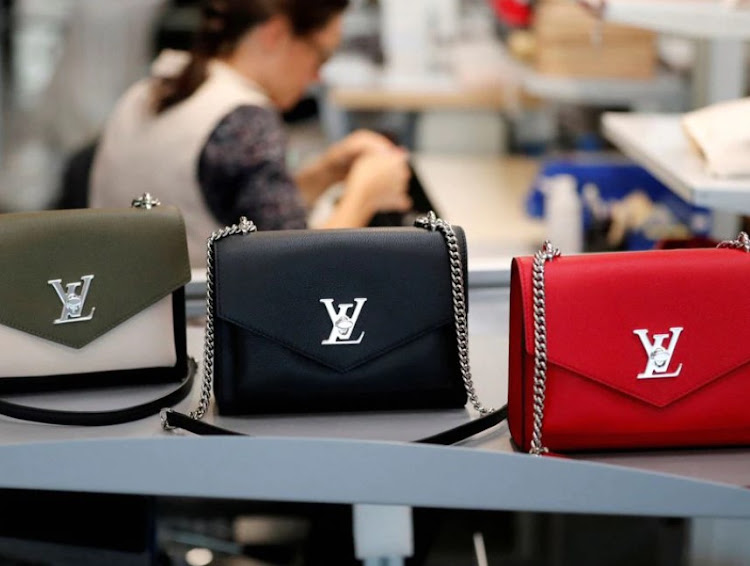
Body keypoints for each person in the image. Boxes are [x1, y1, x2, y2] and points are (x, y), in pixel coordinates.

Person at [89, 0, 412, 267]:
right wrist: (365, 195)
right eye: (320, 55)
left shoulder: (149, 89)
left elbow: (240, 204)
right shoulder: (243, 122)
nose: (317, 76)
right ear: (275, 34)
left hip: (126, 315)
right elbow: (300, 273)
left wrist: (323, 174)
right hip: (194, 332)